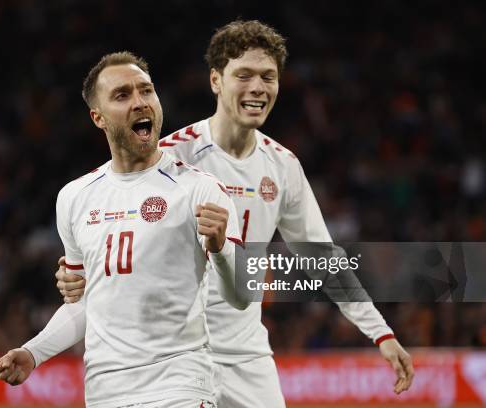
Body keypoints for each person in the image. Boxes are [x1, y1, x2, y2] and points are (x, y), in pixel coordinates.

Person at [56, 20, 414, 407]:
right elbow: (112, 224)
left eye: (268, 77)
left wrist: (381, 333)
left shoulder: (282, 166)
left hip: (246, 358)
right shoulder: (170, 156)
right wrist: (80, 275)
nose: (257, 87)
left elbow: (322, 258)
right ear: (216, 81)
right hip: (174, 361)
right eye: (243, 75)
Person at [0, 51, 248, 408]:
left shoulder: (200, 190)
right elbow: (86, 305)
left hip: (179, 388)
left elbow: (240, 296)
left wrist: (221, 249)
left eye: (147, 91)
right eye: (123, 95)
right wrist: (34, 352)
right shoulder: (75, 198)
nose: (141, 102)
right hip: (104, 393)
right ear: (98, 117)